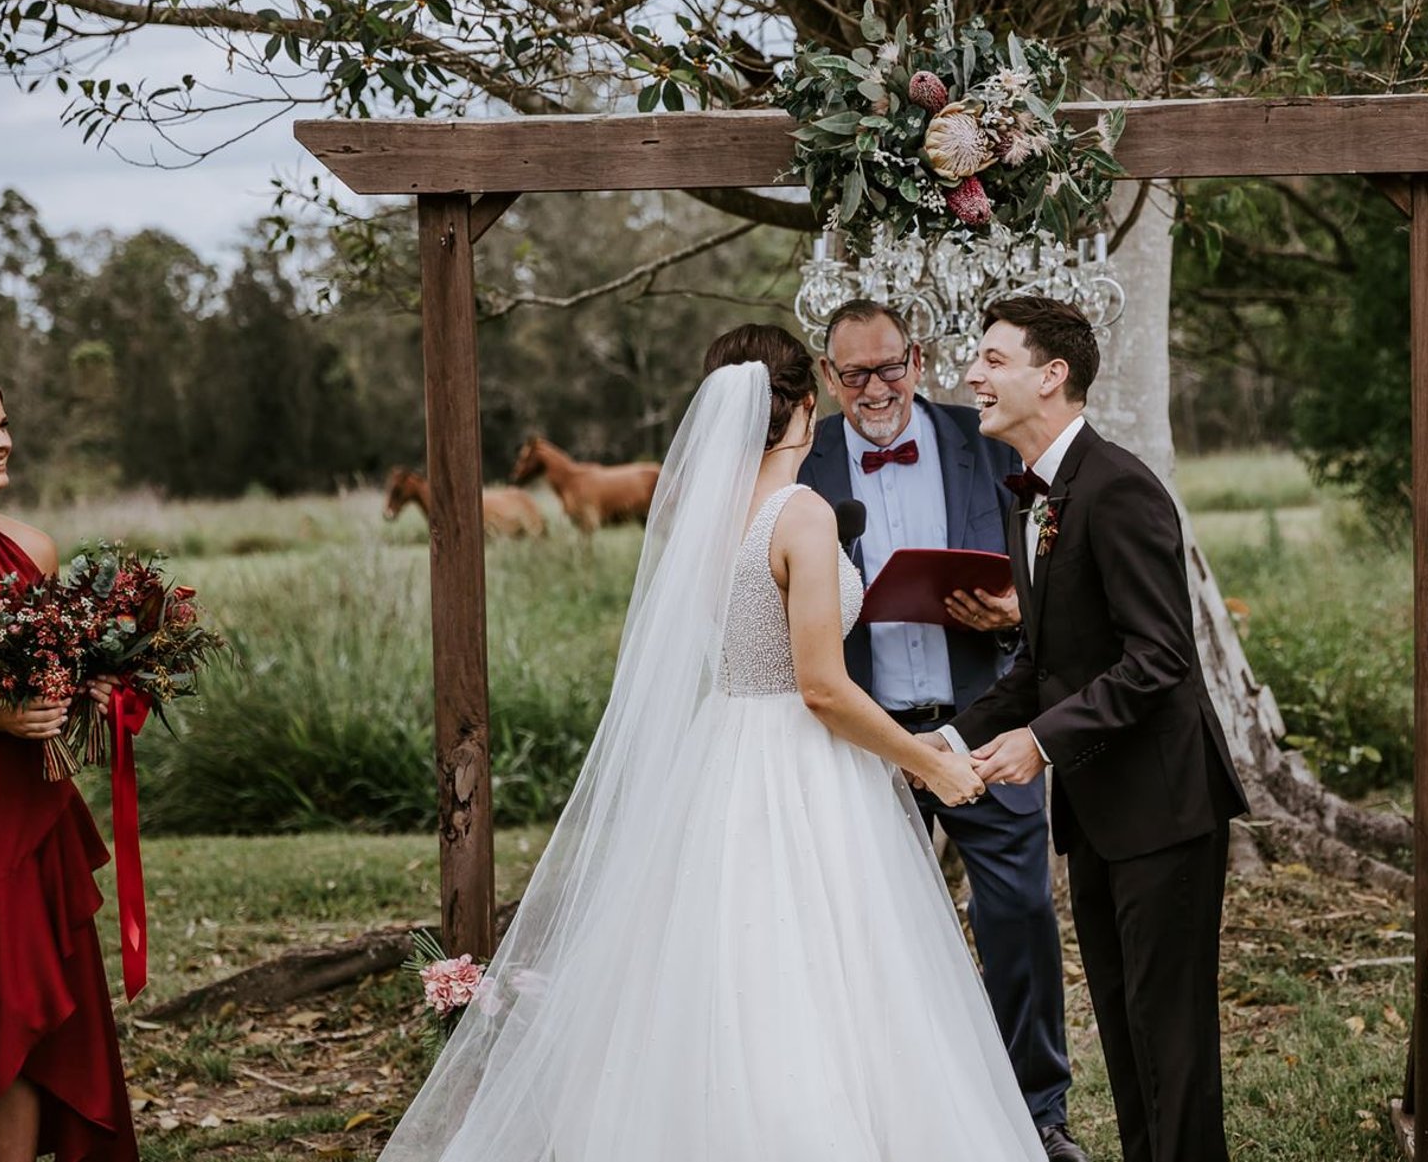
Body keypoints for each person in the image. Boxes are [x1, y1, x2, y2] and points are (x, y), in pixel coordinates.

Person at [379, 325, 1047, 1161]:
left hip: (725, 750)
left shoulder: (706, 519)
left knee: (731, 960)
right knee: (823, 962)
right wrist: (930, 764)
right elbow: (821, 687)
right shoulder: (800, 515)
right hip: (800, 759)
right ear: (807, 403)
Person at [942, 298, 1250, 1162]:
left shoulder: (1119, 487)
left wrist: (1042, 742)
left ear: (1052, 376)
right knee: (1122, 1027)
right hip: (1097, 812)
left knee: (1171, 1041)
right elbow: (1044, 666)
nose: (973, 374)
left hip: (1165, 809)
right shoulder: (1032, 500)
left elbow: (1161, 657)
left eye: (994, 359)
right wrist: (949, 742)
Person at [797, 299, 1082, 1161]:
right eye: (855, 373)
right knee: (866, 930)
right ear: (829, 377)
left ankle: (1039, 1112)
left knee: (1020, 911)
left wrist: (1017, 609)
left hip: (982, 722)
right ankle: (886, 1113)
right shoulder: (802, 466)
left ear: (917, 360)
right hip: (864, 739)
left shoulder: (986, 441)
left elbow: (1055, 564)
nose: (876, 387)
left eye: (890, 366)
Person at [0, 382, 141, 1162]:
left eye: (3, 423)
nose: (2, 441)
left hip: (29, 810)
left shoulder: (34, 548)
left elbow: (50, 666)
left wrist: (94, 686)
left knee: (20, 1017)